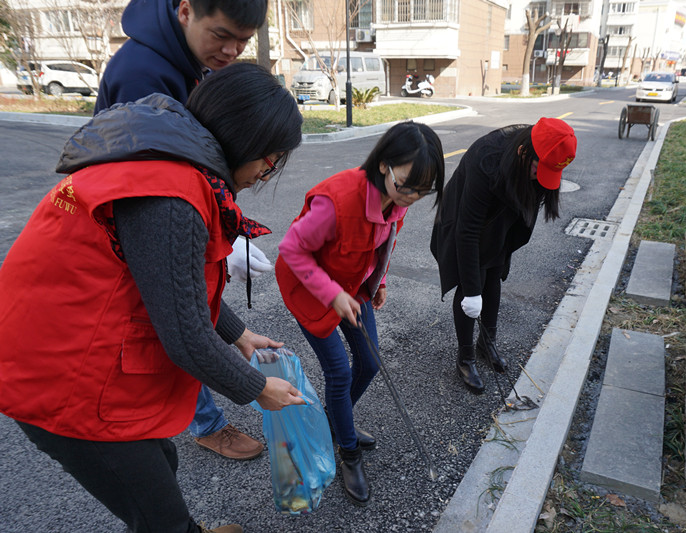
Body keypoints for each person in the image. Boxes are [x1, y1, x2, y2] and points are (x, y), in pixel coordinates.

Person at [0, 64, 305, 533]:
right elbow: (184, 335)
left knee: (161, 458)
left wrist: (238, 333)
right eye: (271, 159)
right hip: (63, 374)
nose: (267, 172)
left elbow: (169, 284)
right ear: (244, 139)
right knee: (156, 512)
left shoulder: (166, 158)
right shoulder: (169, 194)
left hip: (63, 341)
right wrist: (258, 389)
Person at [95, 0, 272, 460]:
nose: (232, 51)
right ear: (186, 11)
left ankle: (186, 418)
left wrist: (237, 332)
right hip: (127, 237)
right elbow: (180, 317)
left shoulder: (195, 60)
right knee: (163, 331)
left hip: (160, 225)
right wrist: (258, 389)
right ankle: (206, 423)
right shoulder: (142, 76)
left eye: (244, 41)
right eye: (222, 35)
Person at [274, 122, 445, 505]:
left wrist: (378, 281)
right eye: (407, 186)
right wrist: (332, 294)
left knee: (368, 362)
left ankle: (336, 423)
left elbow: (384, 242)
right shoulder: (337, 200)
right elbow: (291, 249)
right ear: (384, 165)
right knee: (338, 372)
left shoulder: (397, 199)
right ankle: (348, 452)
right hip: (310, 288)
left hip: (353, 285)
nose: (412, 197)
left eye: (423, 191)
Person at [430, 118, 577, 394]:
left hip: (500, 216)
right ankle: (465, 358)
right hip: (465, 218)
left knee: (494, 272)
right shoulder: (487, 158)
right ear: (523, 152)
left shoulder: (532, 158)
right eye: (537, 170)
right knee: (472, 278)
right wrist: (472, 293)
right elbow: (468, 230)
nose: (540, 179)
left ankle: (487, 344)